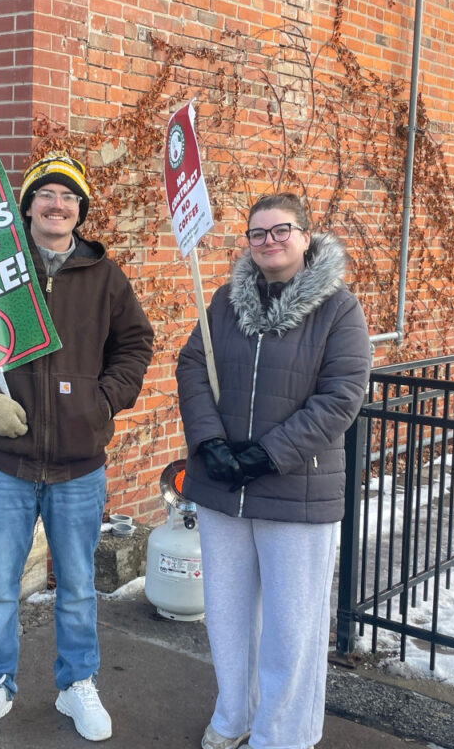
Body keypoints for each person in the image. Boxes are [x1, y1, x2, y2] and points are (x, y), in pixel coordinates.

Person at [0, 152, 154, 745]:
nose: (57, 204)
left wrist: (102, 401)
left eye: (68, 196)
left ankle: (76, 684)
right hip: (6, 464)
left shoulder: (104, 275)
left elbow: (136, 344)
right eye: (46, 194)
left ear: (80, 209)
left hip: (78, 466)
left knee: (76, 588)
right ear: (29, 205)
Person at [176, 193, 371, 749]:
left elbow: (340, 398)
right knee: (229, 619)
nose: (268, 242)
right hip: (223, 488)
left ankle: (283, 734)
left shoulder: (339, 310)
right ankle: (235, 715)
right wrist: (209, 441)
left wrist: (268, 454)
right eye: (257, 233)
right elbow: (194, 365)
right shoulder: (222, 303)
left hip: (296, 490)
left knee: (292, 627)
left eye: (280, 230)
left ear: (305, 236)